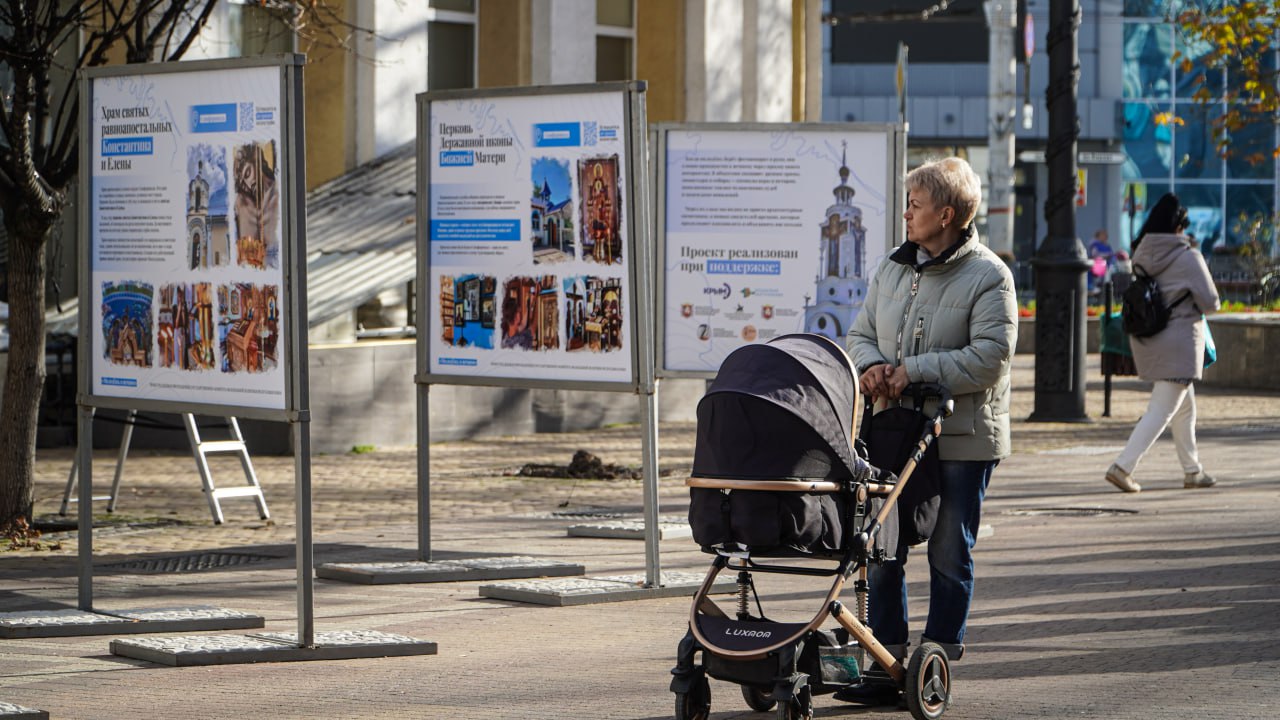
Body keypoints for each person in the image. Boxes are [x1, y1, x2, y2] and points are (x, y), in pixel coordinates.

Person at [838, 156, 1017, 706]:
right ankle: (887, 663)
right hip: (895, 429)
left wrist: (912, 370)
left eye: (915, 205)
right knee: (881, 544)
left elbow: (991, 358)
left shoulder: (990, 275)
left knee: (948, 549)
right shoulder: (893, 267)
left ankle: (933, 666)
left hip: (961, 434)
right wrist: (871, 366)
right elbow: (859, 333)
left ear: (946, 215)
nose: (906, 214)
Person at [1105, 193, 1220, 493]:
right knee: (1161, 409)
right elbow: (1211, 303)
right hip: (1180, 343)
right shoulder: (1188, 257)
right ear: (1179, 227)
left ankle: (1193, 470)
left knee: (1184, 408)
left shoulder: (1142, 254)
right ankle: (1122, 466)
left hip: (1149, 338)